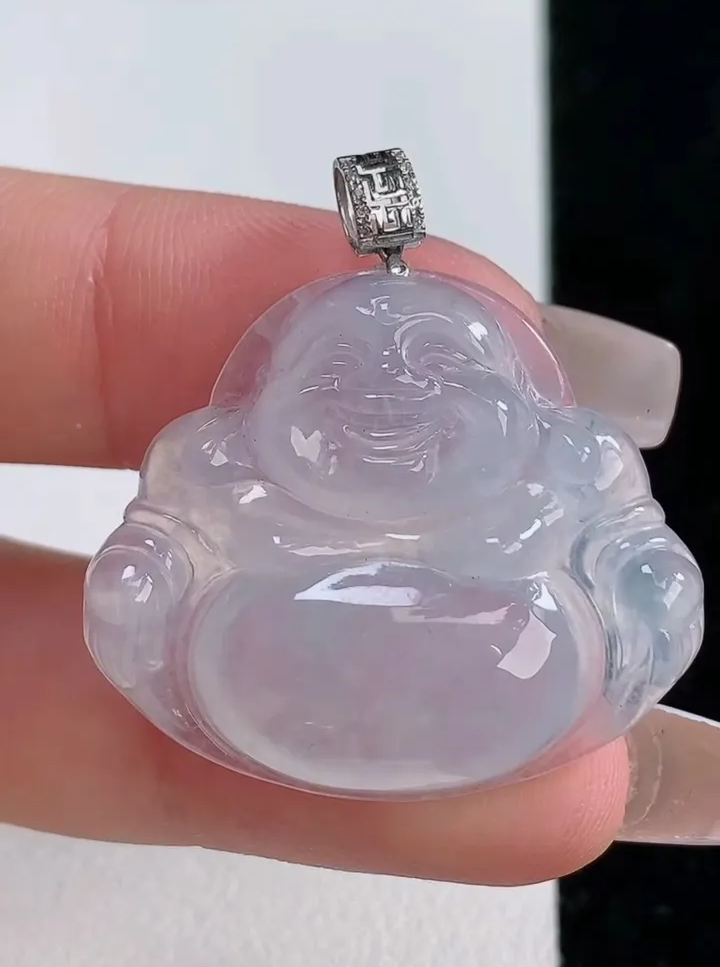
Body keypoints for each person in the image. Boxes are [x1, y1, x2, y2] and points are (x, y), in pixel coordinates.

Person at [0, 167, 629, 884]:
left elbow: (636, 564)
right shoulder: (216, 475)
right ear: (270, 395)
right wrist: (137, 585)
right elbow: (154, 552)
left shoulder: (567, 478)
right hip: (264, 696)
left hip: (512, 698)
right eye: (339, 364)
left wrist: (643, 585)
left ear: (518, 397)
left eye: (436, 360)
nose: (387, 393)